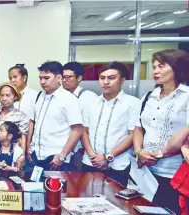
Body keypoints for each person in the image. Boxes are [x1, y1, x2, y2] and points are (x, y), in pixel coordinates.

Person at [133, 49, 189, 215]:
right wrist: (138, 151)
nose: (155, 71)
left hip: (173, 173)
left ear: (177, 68)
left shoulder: (186, 97)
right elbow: (138, 127)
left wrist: (158, 154)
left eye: (161, 66)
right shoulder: (149, 96)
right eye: (154, 66)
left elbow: (186, 133)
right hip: (145, 172)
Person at [80, 62, 140, 187]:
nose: (105, 82)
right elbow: (84, 131)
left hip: (117, 165)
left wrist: (108, 157)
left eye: (111, 78)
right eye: (102, 78)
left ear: (122, 80)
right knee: (86, 199)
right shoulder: (91, 103)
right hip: (90, 162)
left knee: (116, 202)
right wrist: (93, 156)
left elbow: (132, 135)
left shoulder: (133, 103)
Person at [27, 61, 82, 171]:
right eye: (40, 78)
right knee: (33, 187)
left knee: (55, 188)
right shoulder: (40, 96)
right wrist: (29, 146)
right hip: (36, 154)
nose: (42, 82)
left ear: (58, 78)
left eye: (46, 78)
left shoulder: (68, 99)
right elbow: (32, 122)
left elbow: (77, 130)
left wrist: (62, 156)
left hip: (56, 157)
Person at [63, 61, 98, 171]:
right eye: (63, 77)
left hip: (81, 150)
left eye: (68, 77)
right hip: (66, 148)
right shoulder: (63, 97)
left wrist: (86, 149)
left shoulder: (88, 97)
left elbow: (92, 126)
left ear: (79, 78)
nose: (64, 80)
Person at [0, 83, 29, 152]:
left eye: (8, 95)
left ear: (15, 97)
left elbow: (23, 138)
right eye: (2, 95)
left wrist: (22, 156)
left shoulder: (21, 116)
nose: (4, 98)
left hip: (10, 154)